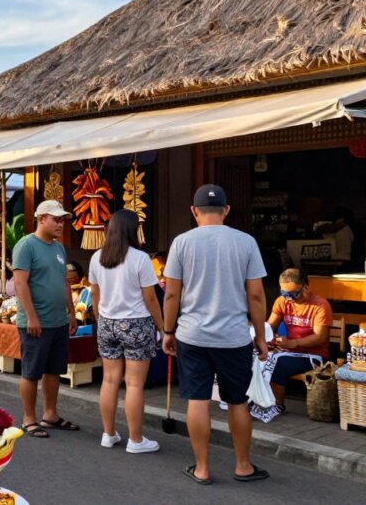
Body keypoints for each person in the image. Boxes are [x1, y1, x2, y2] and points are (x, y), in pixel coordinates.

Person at [162, 184, 270, 485]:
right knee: (237, 402)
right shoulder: (246, 242)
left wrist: (168, 331)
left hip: (192, 335)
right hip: (234, 336)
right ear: (226, 210)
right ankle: (243, 466)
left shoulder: (181, 243)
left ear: (194, 211)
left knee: (197, 400)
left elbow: (172, 294)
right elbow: (257, 295)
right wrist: (260, 336)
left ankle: (202, 468)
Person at [89, 210, 164, 453]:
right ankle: (135, 439)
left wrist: (100, 318)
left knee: (109, 380)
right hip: (136, 323)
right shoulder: (140, 258)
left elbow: (95, 295)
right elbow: (150, 298)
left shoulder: (97, 258)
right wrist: (163, 327)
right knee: (133, 384)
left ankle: (108, 433)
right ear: (132, 230)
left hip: (107, 322)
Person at [13, 200, 78, 439]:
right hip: (35, 321)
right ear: (41, 219)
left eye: (62, 220)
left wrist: (70, 312)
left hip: (58, 320)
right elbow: (20, 283)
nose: (61, 224)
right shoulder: (26, 246)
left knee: (53, 370)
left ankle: (50, 414)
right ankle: (28, 418)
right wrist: (31, 316)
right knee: (31, 371)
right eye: (56, 219)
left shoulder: (59, 248)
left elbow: (64, 282)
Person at [267, 268, 332, 412]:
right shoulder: (282, 301)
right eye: (284, 294)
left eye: (293, 294)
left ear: (306, 287)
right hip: (289, 351)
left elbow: (320, 337)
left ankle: (277, 405)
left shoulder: (320, 305)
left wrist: (293, 343)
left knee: (279, 364)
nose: (288, 298)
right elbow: (269, 326)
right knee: (259, 358)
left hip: (314, 355)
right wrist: (261, 337)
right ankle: (259, 400)